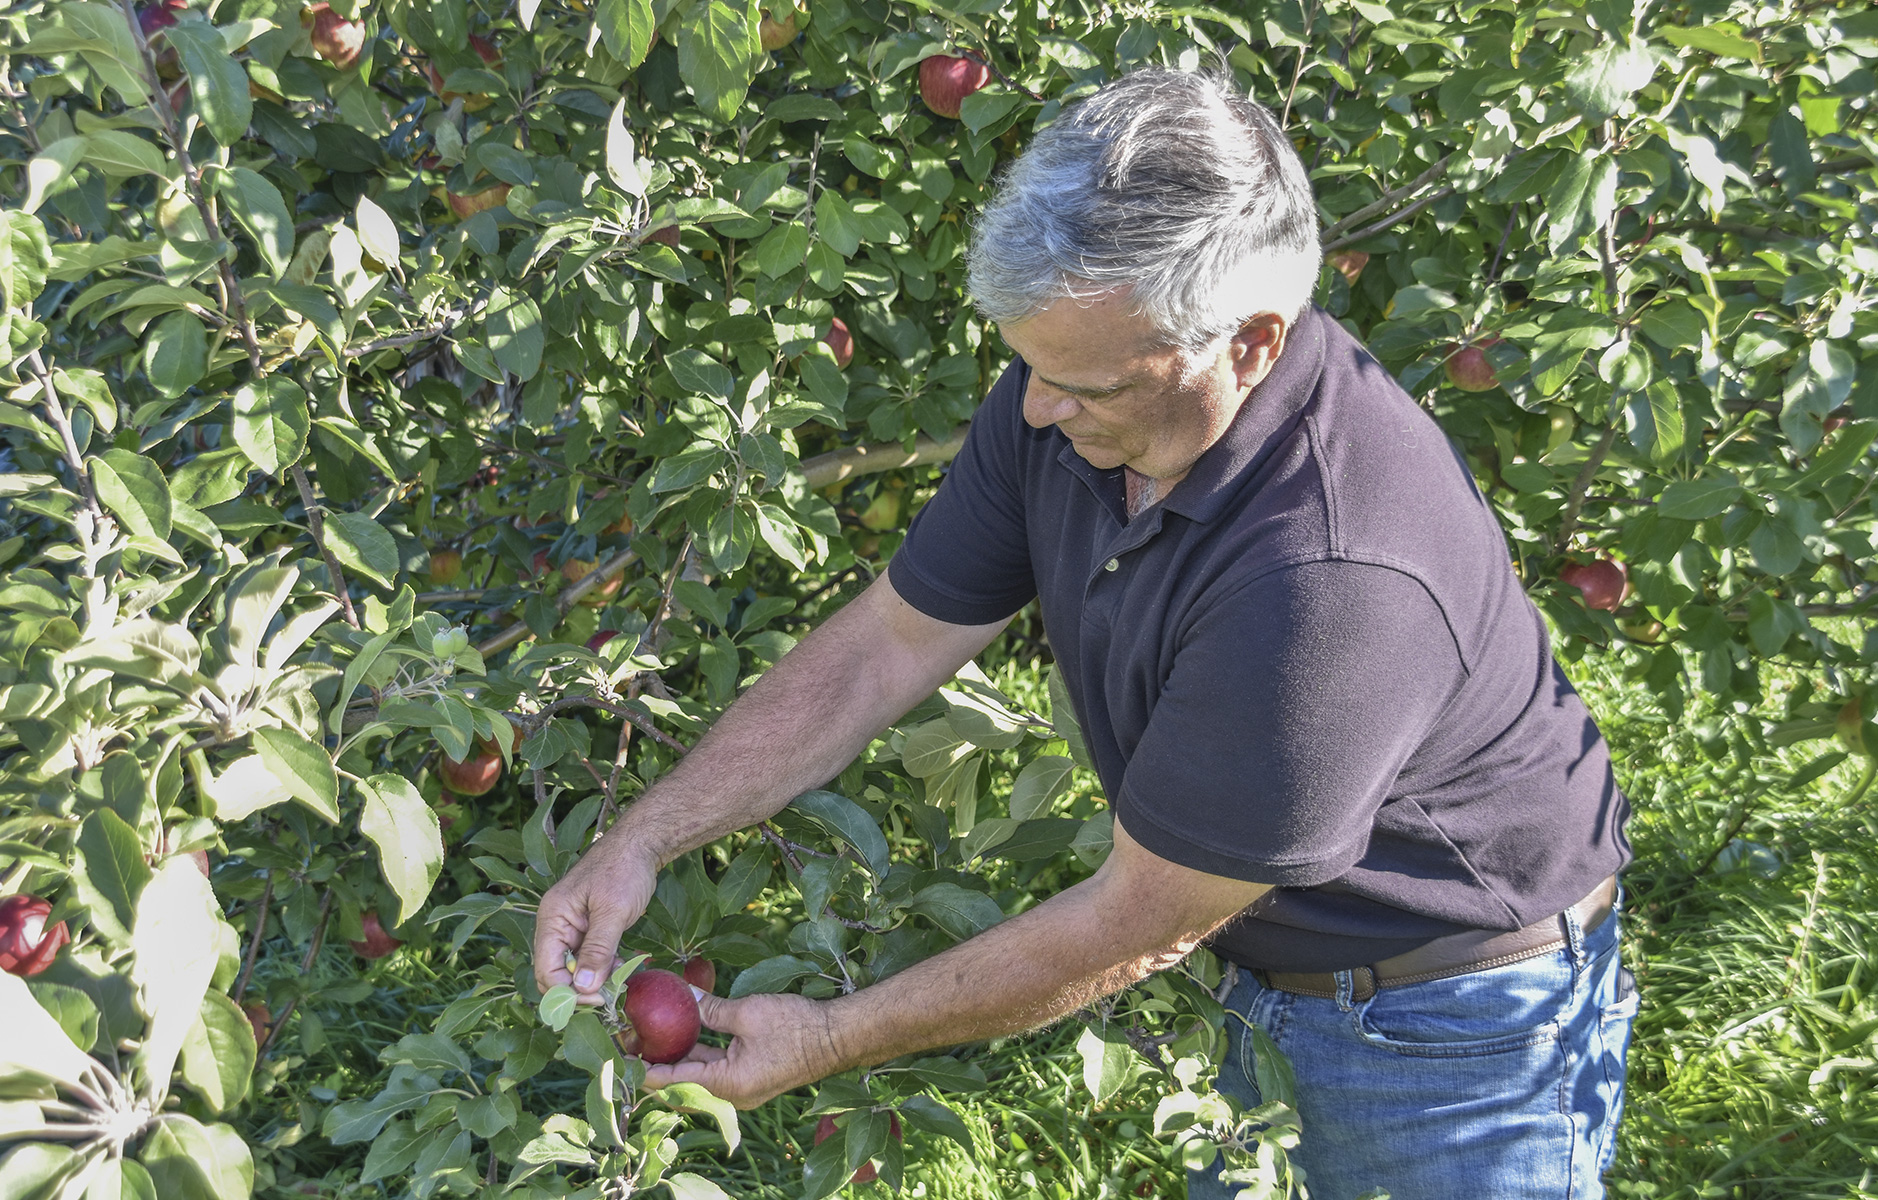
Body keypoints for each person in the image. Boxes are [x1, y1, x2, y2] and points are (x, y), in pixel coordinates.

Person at [534, 67, 1636, 1200]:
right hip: (1259, 957)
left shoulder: (1328, 575)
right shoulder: (1070, 400)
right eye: (1032, 367)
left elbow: (1134, 921)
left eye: (1082, 384)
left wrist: (829, 1039)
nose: (1034, 411)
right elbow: (887, 643)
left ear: (1248, 344)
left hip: (1451, 1027)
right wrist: (646, 837)